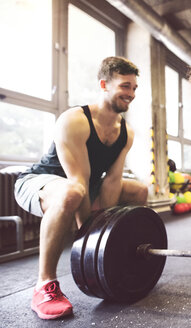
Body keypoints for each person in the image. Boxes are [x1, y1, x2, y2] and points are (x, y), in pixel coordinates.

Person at [14, 56, 148, 320]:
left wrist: (108, 246)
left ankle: (121, 254)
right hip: (39, 182)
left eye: (134, 88)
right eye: (124, 86)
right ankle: (44, 286)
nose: (130, 94)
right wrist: (89, 246)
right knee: (72, 193)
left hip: (83, 184)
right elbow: (79, 182)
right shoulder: (75, 120)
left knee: (138, 191)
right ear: (104, 85)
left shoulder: (126, 132)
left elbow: (111, 181)